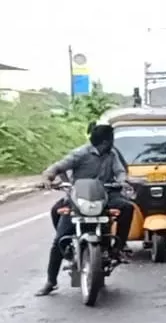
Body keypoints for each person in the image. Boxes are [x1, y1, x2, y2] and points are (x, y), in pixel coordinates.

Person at [37, 124, 135, 296]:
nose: (113, 142)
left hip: (105, 195)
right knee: (58, 232)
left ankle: (118, 246)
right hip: (78, 197)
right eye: (111, 139)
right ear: (106, 141)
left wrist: (123, 181)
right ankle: (51, 281)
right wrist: (48, 176)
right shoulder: (80, 154)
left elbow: (120, 172)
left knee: (127, 207)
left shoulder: (112, 155)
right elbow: (58, 167)